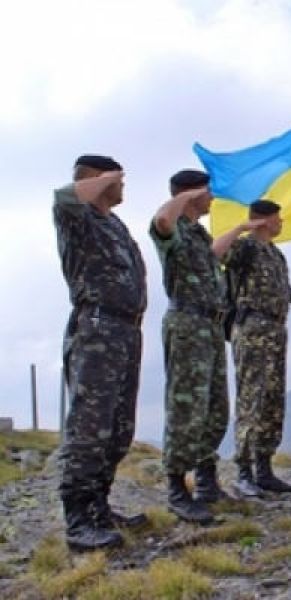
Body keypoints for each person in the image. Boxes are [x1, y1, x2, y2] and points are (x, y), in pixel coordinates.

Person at [53, 154, 147, 551]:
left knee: (118, 427)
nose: (122, 186)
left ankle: (99, 508)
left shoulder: (115, 224)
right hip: (97, 325)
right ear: (97, 177)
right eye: (118, 180)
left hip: (126, 329)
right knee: (90, 426)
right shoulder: (76, 216)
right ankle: (78, 520)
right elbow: (64, 195)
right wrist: (108, 176)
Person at [150, 169, 230, 524]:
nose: (212, 198)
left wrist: (241, 229)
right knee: (186, 407)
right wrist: (184, 197)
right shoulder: (173, 228)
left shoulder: (198, 233)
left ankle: (206, 481)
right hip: (186, 324)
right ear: (192, 192)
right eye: (207, 192)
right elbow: (161, 222)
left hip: (210, 327)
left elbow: (214, 255)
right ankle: (176, 489)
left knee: (215, 407)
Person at [213, 200, 291, 497]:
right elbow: (216, 254)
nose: (281, 222)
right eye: (277, 218)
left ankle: (264, 468)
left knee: (272, 400)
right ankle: (244, 471)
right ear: (263, 220)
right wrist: (240, 228)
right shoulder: (246, 247)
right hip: (252, 327)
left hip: (275, 328)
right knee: (253, 397)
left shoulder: (275, 253)